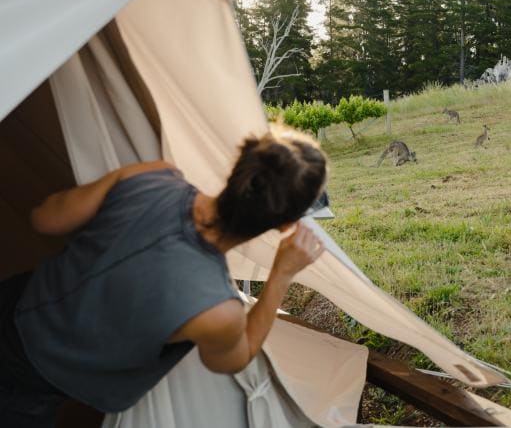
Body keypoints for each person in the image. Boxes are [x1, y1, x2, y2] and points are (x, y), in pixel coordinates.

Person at [0, 126, 328, 427]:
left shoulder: (149, 175)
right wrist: (281, 275)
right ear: (286, 225)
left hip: (13, 303)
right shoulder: (216, 310)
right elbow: (233, 359)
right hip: (31, 383)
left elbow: (45, 219)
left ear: (237, 165)